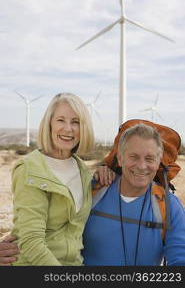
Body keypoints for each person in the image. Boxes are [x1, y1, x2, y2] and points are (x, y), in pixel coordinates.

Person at [0, 92, 96, 266]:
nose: (68, 128)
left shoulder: (83, 170)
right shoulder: (30, 168)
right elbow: (31, 241)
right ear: (49, 124)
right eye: (61, 120)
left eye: (76, 122)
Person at [82, 123, 185, 266]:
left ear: (158, 161)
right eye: (134, 157)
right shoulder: (92, 192)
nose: (142, 166)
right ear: (120, 158)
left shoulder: (169, 206)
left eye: (149, 158)